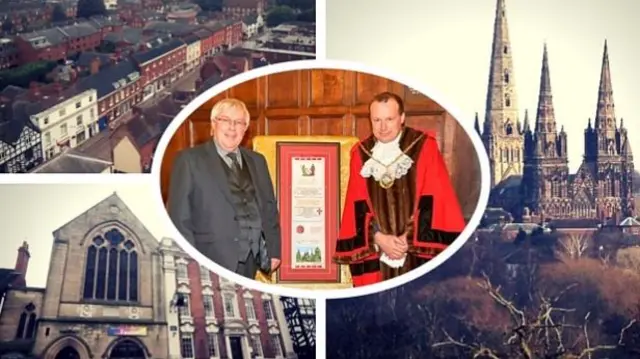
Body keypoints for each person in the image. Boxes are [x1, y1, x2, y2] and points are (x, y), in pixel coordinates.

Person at [333, 92, 466, 287]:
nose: (383, 127)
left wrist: (407, 239)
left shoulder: (423, 146)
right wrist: (378, 238)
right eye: (377, 120)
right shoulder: (360, 154)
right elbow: (357, 205)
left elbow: (434, 199)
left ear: (402, 118)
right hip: (377, 254)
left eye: (389, 119)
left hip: (416, 253)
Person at [167, 98, 282, 280]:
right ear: (213, 125)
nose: (232, 127)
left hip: (251, 261)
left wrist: (274, 250)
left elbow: (269, 208)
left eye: (238, 122)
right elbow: (179, 219)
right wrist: (193, 262)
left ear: (245, 129)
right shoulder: (189, 160)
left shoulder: (258, 161)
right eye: (225, 120)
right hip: (210, 260)